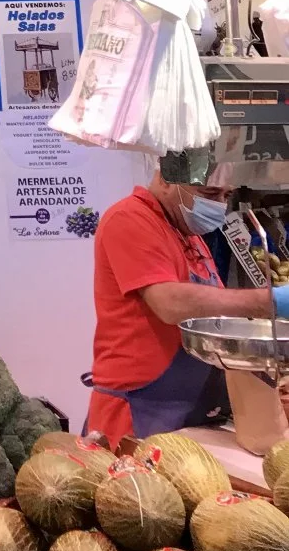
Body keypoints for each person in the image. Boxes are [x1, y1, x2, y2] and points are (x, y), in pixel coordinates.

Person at [85, 149, 288, 444]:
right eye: (210, 193)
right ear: (167, 180)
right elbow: (169, 303)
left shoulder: (188, 233)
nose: (218, 205)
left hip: (190, 412)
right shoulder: (128, 219)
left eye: (225, 196)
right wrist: (270, 302)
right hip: (136, 415)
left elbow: (217, 316)